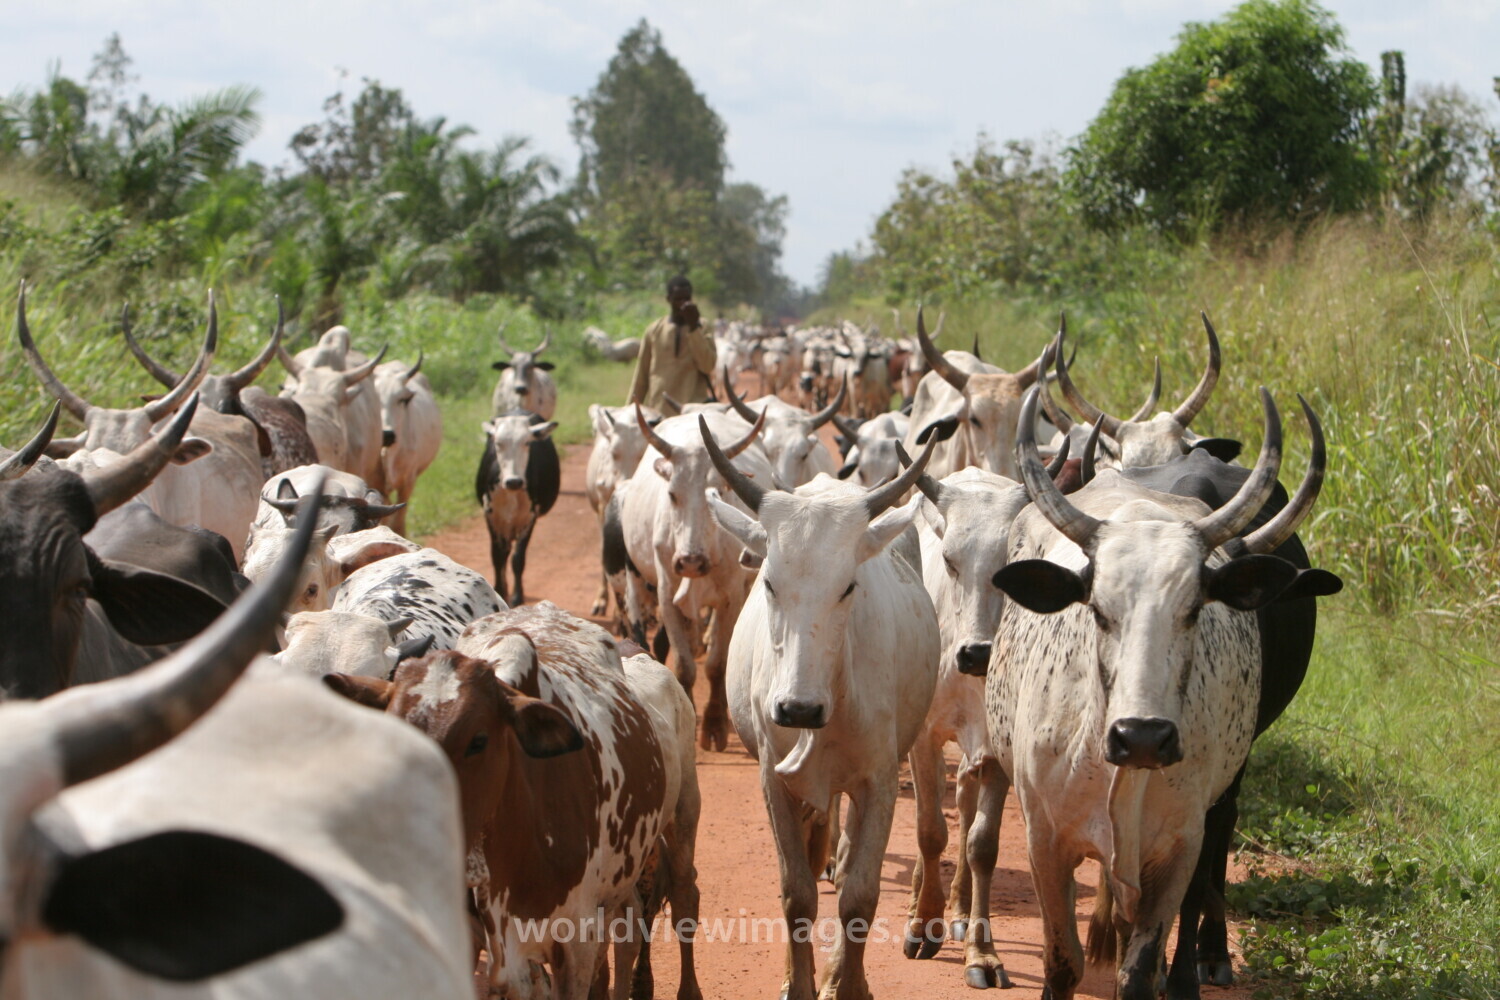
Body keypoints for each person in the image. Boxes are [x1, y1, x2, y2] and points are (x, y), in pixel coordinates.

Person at [628, 275, 716, 411]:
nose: (683, 304)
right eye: (678, 300)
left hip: (692, 411)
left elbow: (708, 365)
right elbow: (641, 376)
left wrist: (694, 328)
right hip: (660, 409)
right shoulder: (654, 330)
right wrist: (630, 409)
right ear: (668, 299)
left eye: (686, 299)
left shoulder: (703, 327)